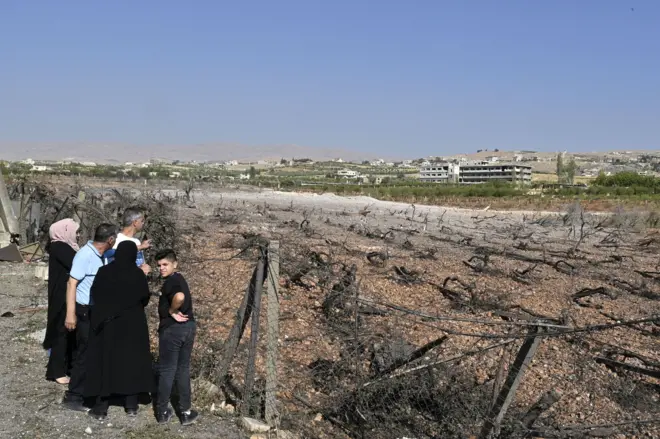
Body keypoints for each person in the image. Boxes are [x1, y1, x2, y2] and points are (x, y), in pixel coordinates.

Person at [84, 241, 153, 420]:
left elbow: (95, 294)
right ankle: (130, 404)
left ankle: (101, 406)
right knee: (130, 361)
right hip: (132, 325)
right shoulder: (137, 274)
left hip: (108, 325)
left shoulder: (104, 272)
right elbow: (144, 297)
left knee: (106, 360)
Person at [62, 223, 118, 412]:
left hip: (93, 311)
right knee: (84, 354)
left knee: (91, 352)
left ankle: (87, 390)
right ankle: (74, 396)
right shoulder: (85, 255)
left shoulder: (101, 255)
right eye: (115, 238)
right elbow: (71, 283)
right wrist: (70, 314)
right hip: (82, 310)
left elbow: (119, 252)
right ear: (110, 239)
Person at [154, 249, 199, 426]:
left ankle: (162, 411)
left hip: (172, 331)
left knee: (167, 370)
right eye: (159, 265)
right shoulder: (180, 279)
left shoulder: (172, 282)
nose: (161, 268)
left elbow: (179, 297)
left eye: (165, 264)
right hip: (188, 328)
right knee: (182, 369)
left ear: (175, 264)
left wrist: (172, 311)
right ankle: (186, 412)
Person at [43, 218, 80, 385]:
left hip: (66, 294)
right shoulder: (60, 247)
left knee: (68, 333)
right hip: (62, 296)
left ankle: (66, 367)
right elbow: (76, 264)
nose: (78, 235)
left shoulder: (64, 247)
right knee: (61, 332)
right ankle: (56, 371)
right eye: (75, 231)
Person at [109, 207, 151, 274]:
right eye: (142, 221)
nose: (143, 223)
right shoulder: (117, 240)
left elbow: (140, 263)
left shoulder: (137, 241)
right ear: (135, 222)